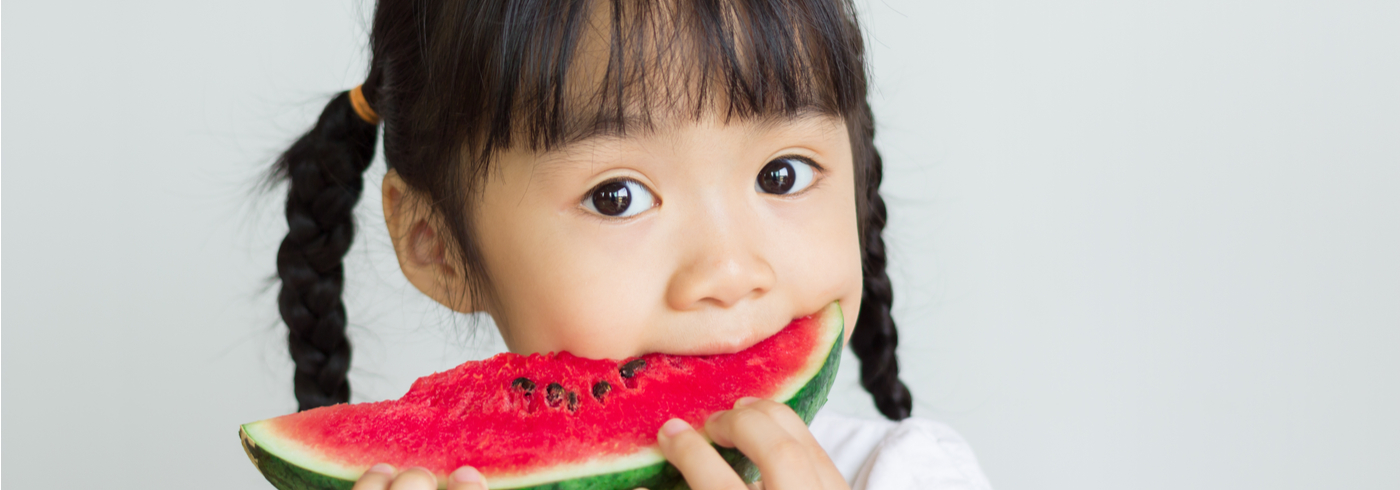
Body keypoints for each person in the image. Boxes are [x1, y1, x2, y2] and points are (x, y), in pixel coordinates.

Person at [268, 0, 992, 489]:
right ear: (438, 246)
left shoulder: (908, 473)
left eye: (782, 174)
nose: (730, 271)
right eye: (617, 196)